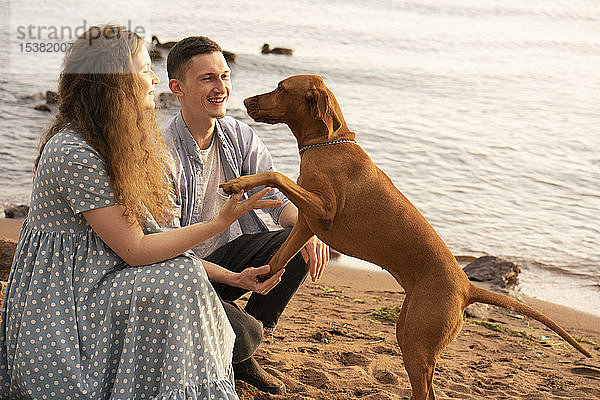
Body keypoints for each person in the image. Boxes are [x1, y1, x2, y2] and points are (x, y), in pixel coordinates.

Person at [0, 24, 284, 399]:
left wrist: (233, 278)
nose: (153, 79)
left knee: (188, 281)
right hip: (66, 296)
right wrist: (220, 222)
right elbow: (136, 250)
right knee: (184, 285)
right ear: (114, 81)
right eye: (144, 69)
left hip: (102, 275)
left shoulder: (113, 140)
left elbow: (153, 241)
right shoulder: (74, 151)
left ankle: (203, 373)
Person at [162, 36, 330, 394]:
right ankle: (242, 346)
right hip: (183, 271)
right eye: (208, 78)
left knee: (299, 237)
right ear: (177, 87)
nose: (221, 87)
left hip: (227, 256)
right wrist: (236, 280)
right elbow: (167, 251)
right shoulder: (163, 153)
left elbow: (275, 199)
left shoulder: (238, 135)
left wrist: (307, 230)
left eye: (224, 76)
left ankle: (241, 343)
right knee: (245, 334)